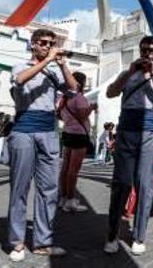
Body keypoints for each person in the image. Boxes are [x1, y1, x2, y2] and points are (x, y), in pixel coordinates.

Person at [6, 28, 77, 261]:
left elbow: (74, 89)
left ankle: (42, 242)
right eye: (44, 43)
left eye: (51, 43)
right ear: (33, 44)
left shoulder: (54, 72)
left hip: (48, 131)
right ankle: (17, 242)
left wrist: (63, 64)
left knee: (49, 190)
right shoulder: (20, 66)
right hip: (24, 130)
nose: (48, 46)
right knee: (20, 188)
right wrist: (47, 60)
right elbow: (20, 80)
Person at [104, 36, 153, 256]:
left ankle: (139, 235)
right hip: (126, 131)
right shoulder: (128, 73)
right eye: (144, 50)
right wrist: (128, 73)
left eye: (152, 50)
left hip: (149, 132)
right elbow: (110, 93)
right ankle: (112, 234)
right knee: (121, 183)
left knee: (145, 184)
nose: (148, 54)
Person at [58, 71, 93, 213]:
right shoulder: (79, 97)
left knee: (65, 168)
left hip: (67, 133)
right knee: (73, 170)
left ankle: (63, 198)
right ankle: (71, 201)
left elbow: (59, 115)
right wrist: (92, 108)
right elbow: (82, 114)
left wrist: (69, 121)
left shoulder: (64, 98)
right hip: (79, 135)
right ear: (81, 83)